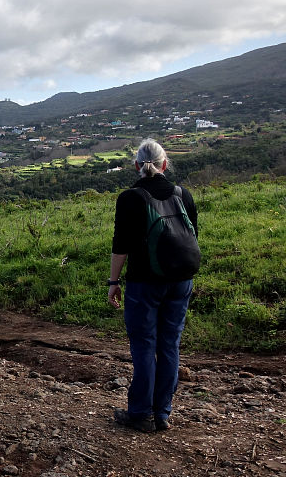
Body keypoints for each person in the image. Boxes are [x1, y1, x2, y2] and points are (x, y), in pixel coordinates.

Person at [107, 138, 198, 433]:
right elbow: (192, 233)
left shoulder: (130, 198)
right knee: (170, 344)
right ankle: (162, 414)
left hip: (144, 283)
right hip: (181, 280)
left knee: (145, 345)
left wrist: (113, 282)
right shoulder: (183, 194)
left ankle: (140, 414)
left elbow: (120, 246)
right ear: (165, 164)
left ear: (136, 166)